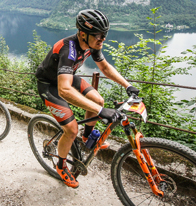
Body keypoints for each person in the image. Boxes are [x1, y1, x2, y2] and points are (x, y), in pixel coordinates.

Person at [35, 9, 139, 188]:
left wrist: (127, 85)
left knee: (98, 100)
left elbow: (105, 68)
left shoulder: (93, 44)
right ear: (83, 33)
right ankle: (61, 166)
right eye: (99, 35)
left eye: (104, 35)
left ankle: (87, 137)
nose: (102, 39)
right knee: (71, 129)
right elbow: (64, 90)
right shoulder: (69, 49)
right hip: (49, 85)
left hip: (66, 78)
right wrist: (101, 113)